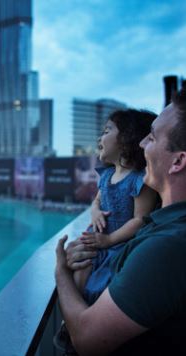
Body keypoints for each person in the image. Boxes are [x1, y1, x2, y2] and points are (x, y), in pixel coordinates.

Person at [55, 88, 186, 355]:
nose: (142, 144)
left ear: (178, 161)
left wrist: (62, 273)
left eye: (152, 136)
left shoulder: (169, 249)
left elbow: (87, 341)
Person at [73, 109, 158, 305]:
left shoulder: (139, 179)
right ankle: (74, 315)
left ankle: (90, 318)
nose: (99, 137)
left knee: (105, 285)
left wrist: (109, 239)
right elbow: (97, 201)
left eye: (106, 131)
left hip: (120, 244)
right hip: (97, 238)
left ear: (126, 138)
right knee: (81, 267)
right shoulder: (106, 175)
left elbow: (140, 219)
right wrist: (95, 212)